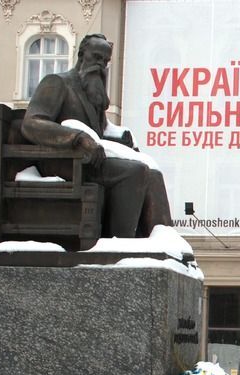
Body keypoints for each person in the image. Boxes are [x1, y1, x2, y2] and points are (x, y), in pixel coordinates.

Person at [21, 33, 172, 238]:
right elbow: (32, 123)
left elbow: (97, 137)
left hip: (91, 160)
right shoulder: (57, 82)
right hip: (62, 160)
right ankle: (120, 244)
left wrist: (120, 142)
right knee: (133, 172)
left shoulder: (94, 96)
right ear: (82, 54)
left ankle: (163, 242)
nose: (100, 64)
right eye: (96, 57)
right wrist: (77, 138)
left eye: (105, 61)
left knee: (153, 174)